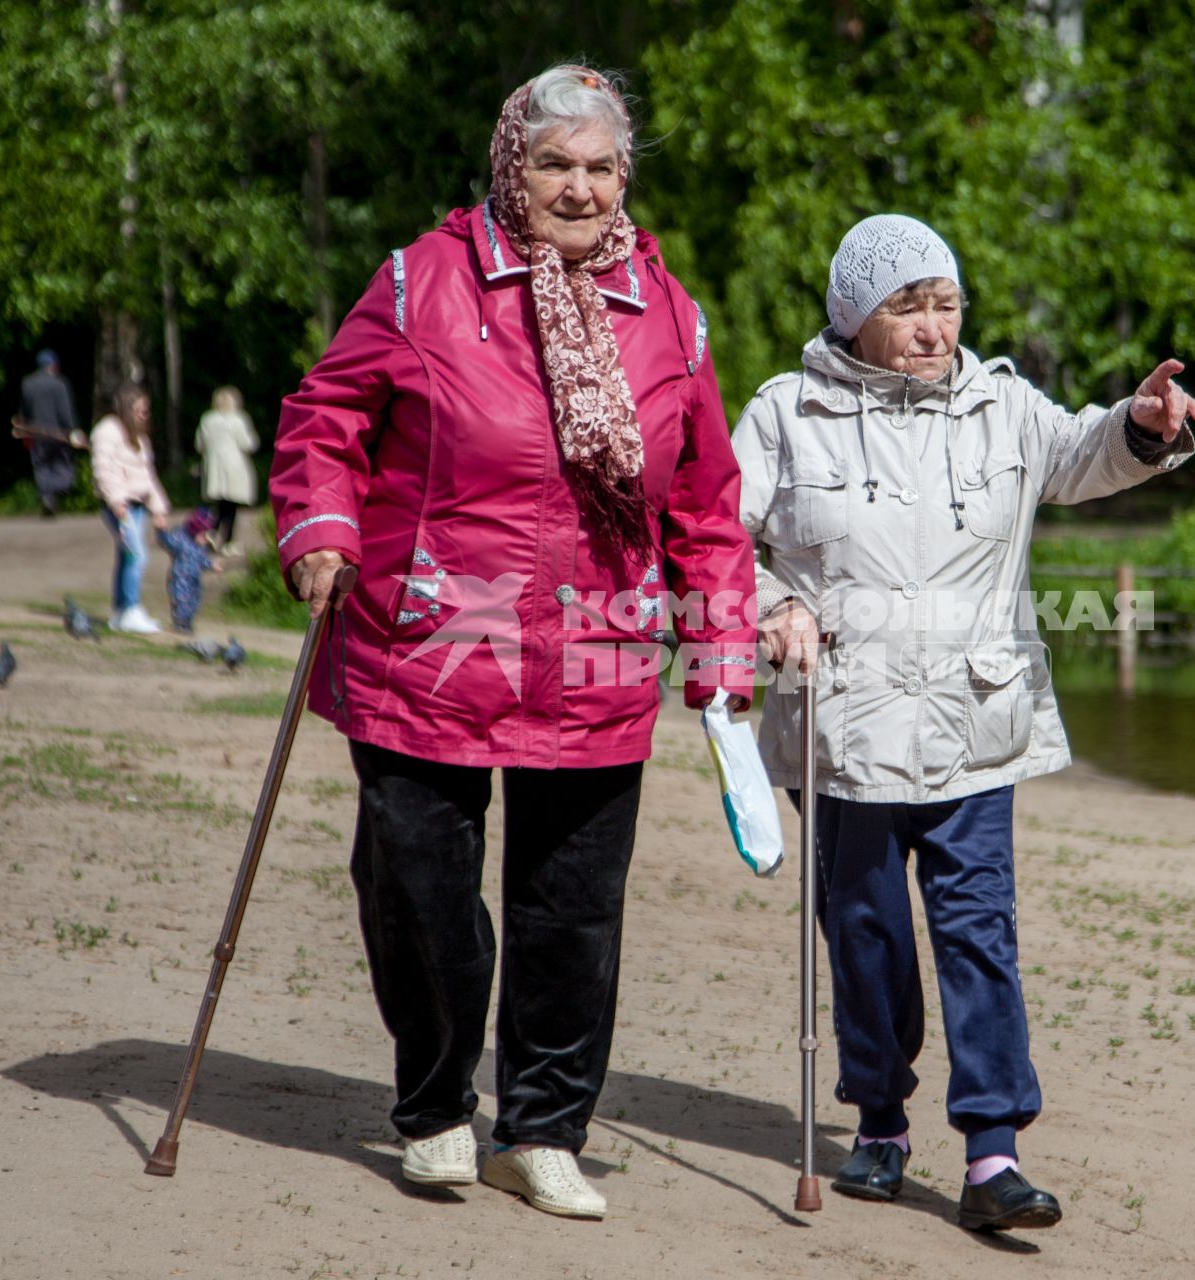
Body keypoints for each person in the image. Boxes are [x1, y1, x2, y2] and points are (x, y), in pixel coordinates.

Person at [270, 65, 757, 1220]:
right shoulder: (418, 281)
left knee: (573, 912)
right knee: (420, 892)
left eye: (598, 167)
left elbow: (703, 500)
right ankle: (437, 1106)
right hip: (430, 636)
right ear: (510, 167)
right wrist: (322, 528)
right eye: (554, 165)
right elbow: (323, 418)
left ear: (621, 177)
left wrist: (721, 644)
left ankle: (542, 1128)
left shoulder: (668, 312)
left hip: (597, 647)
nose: (578, 189)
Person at [732, 214, 1195, 1232]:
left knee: (978, 932)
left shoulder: (999, 405)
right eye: (908, 307)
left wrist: (1142, 423)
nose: (933, 327)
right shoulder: (785, 412)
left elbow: (1082, 454)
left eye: (945, 305)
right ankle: (882, 1120)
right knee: (866, 934)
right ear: (855, 314)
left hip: (975, 723)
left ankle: (992, 1149)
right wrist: (773, 603)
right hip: (844, 725)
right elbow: (721, 535)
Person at [90, 383, 171, 634]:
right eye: (139, 410)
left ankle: (121, 611)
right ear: (126, 409)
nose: (144, 415)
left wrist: (159, 507)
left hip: (137, 506)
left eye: (146, 411)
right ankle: (131, 610)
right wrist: (116, 501)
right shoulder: (107, 432)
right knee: (137, 555)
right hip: (119, 506)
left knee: (127, 556)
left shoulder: (140, 438)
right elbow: (103, 470)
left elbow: (147, 476)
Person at [18, 349, 80, 517]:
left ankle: (47, 496)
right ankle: (54, 493)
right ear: (54, 365)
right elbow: (65, 410)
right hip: (58, 434)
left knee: (41, 466)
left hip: (36, 434)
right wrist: (72, 430)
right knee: (62, 464)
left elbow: (24, 411)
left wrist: (23, 429)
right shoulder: (60, 384)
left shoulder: (28, 383)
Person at [196, 386, 258, 550]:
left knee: (220, 504)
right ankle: (228, 541)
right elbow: (249, 444)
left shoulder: (207, 419)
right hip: (234, 466)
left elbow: (199, 444)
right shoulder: (238, 419)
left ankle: (213, 532)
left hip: (214, 467)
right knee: (231, 506)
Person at [155, 506, 224, 633]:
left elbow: (201, 560)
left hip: (194, 579)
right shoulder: (180, 539)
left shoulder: (200, 547)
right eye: (203, 535)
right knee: (182, 600)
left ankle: (187, 621)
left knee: (194, 600)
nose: (205, 539)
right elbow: (167, 541)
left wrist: (211, 564)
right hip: (180, 578)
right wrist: (161, 530)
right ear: (195, 530)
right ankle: (180, 623)